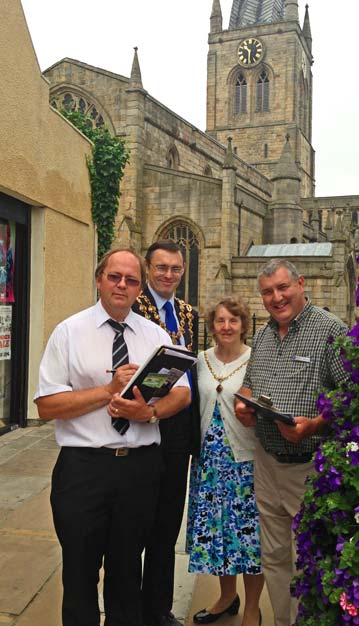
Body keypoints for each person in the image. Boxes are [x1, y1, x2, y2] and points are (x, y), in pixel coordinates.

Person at [34, 249, 191, 626]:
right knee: (80, 573)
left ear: (139, 287)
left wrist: (149, 412)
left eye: (132, 280)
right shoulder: (69, 332)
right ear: (99, 278)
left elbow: (182, 393)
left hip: (139, 471)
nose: (122, 285)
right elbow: (46, 406)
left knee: (126, 575)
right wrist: (108, 390)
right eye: (115, 277)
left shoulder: (154, 335)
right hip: (83, 470)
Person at [235, 259, 348, 626]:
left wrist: (315, 425)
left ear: (300, 283)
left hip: (308, 468)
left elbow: (353, 396)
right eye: (268, 291)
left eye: (283, 288)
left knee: (310, 558)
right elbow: (250, 384)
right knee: (274, 557)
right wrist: (244, 404)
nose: (276, 297)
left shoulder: (331, 330)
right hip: (267, 463)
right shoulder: (264, 336)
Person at [132, 239, 199, 626]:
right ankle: (130, 608)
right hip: (146, 422)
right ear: (148, 268)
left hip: (179, 430)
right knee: (136, 523)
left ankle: (158, 608)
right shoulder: (135, 308)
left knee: (167, 526)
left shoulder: (187, 313)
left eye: (175, 269)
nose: (168, 275)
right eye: (161, 268)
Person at [187, 297, 264, 626]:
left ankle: (251, 608)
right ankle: (226, 598)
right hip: (209, 462)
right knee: (217, 535)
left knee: (248, 539)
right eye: (220, 321)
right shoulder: (200, 361)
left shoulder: (256, 360)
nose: (226, 327)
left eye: (233, 321)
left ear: (244, 325)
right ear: (212, 325)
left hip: (244, 463)